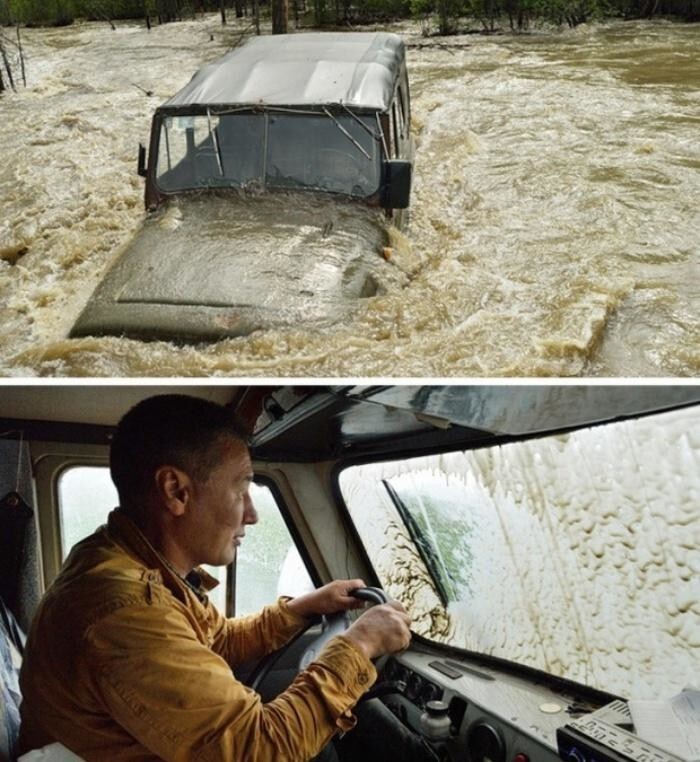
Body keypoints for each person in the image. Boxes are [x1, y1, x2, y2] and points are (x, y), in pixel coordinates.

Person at [18, 394, 434, 762]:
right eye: (241, 489)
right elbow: (261, 749)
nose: (251, 514)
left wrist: (305, 607)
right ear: (176, 491)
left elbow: (216, 641)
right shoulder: (125, 612)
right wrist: (359, 644)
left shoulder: (124, 559)